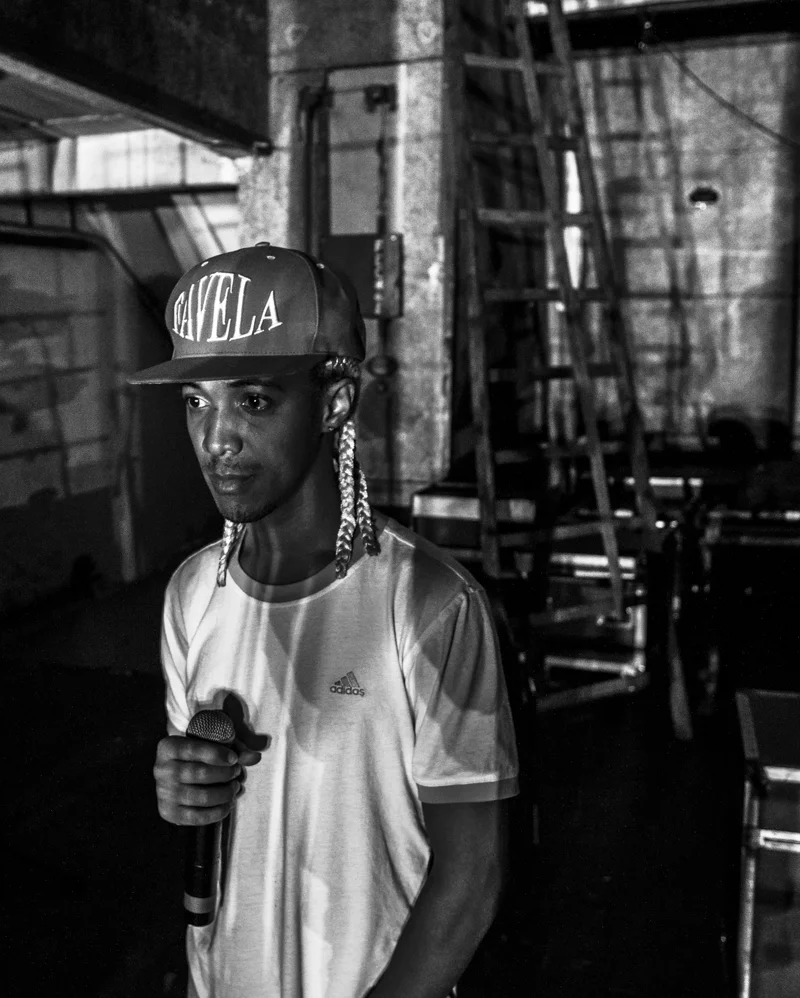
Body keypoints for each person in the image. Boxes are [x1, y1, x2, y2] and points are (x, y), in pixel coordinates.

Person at [133, 243, 520, 998]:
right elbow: (218, 815)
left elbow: (474, 876)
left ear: (335, 400)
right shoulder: (191, 593)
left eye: (252, 400)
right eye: (195, 402)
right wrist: (182, 785)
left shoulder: (427, 603)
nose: (216, 440)